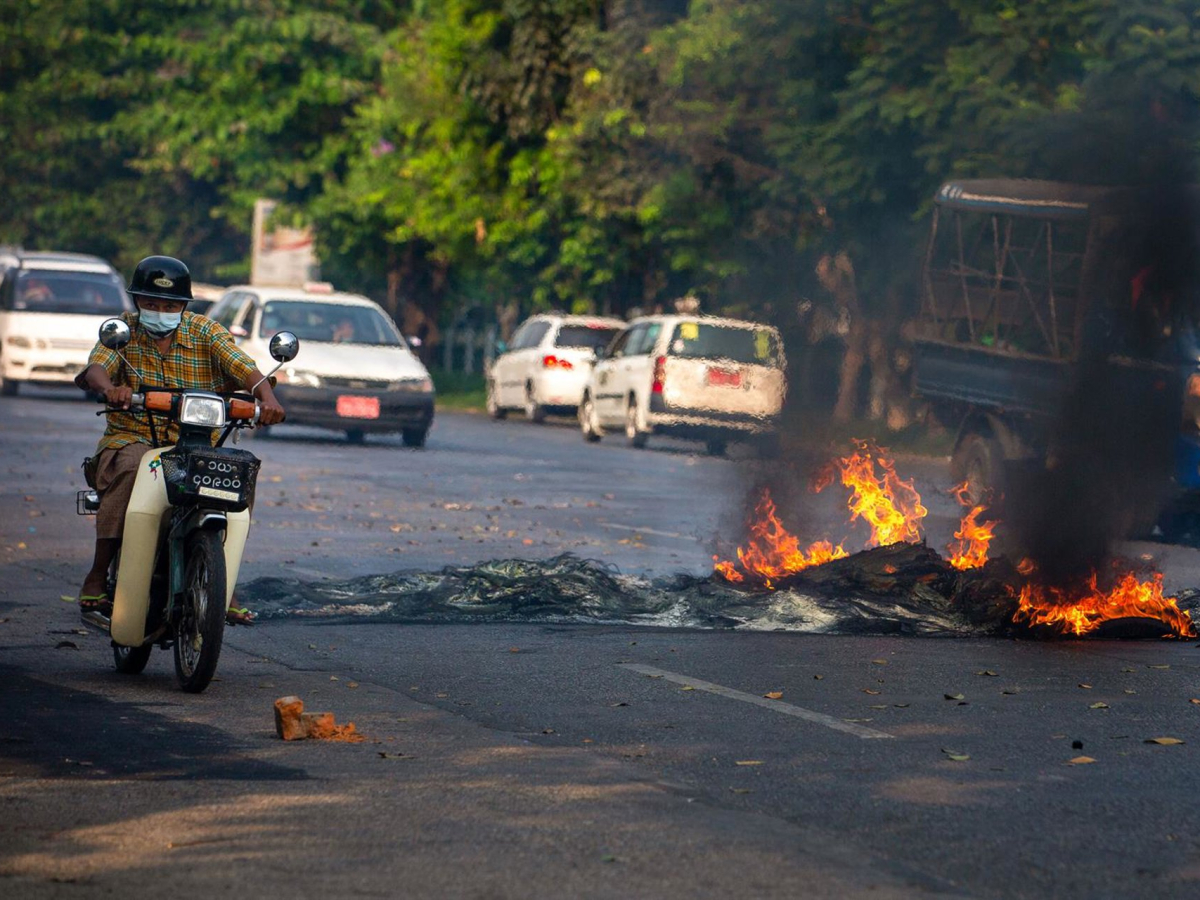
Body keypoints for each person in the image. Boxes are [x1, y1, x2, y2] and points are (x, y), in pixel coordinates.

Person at [74, 256, 286, 625]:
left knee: (235, 476)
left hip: (199, 442)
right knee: (132, 466)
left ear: (184, 306)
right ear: (137, 302)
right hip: (133, 435)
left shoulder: (207, 331)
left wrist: (267, 399)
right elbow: (97, 368)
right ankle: (98, 573)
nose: (161, 311)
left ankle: (223, 581)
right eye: (151, 303)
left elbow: (243, 366)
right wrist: (110, 389)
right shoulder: (123, 330)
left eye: (170, 306)